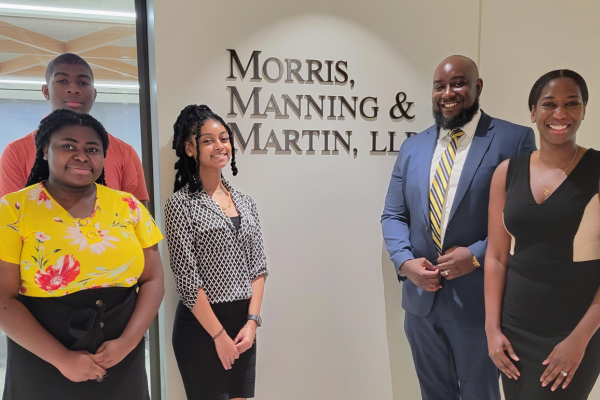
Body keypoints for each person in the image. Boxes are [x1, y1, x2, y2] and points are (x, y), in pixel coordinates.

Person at [381, 55, 536, 400]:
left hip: (481, 302)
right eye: (439, 86)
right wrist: (405, 263)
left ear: (477, 87)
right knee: (433, 394)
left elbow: (524, 218)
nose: (448, 92)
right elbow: (392, 215)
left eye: (458, 83)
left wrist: (477, 254)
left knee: (481, 393)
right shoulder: (413, 146)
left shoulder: (514, 140)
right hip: (421, 304)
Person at [0, 109, 164, 399]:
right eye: (68, 146)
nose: (81, 155)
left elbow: (153, 280)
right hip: (43, 357)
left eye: (92, 149)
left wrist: (128, 342)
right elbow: (3, 299)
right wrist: (63, 359)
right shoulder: (13, 209)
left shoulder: (129, 206)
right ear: (45, 151)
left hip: (121, 355)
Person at [485, 70, 600, 399]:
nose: (560, 114)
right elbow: (495, 257)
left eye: (571, 103)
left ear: (583, 109)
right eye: (549, 104)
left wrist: (580, 339)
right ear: (533, 112)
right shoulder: (507, 173)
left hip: (576, 330)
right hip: (514, 330)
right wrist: (492, 329)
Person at [165, 105, 268, 400]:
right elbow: (186, 280)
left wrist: (252, 323)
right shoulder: (180, 205)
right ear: (189, 148)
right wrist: (218, 336)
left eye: (224, 138)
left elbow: (259, 268)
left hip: (243, 326)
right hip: (201, 330)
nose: (220, 146)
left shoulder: (246, 202)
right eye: (208, 140)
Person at [0, 53, 149, 205]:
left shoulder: (125, 152)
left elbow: (139, 218)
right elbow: (11, 215)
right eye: (62, 81)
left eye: (83, 83)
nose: (73, 89)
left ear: (94, 94)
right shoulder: (16, 151)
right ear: (46, 91)